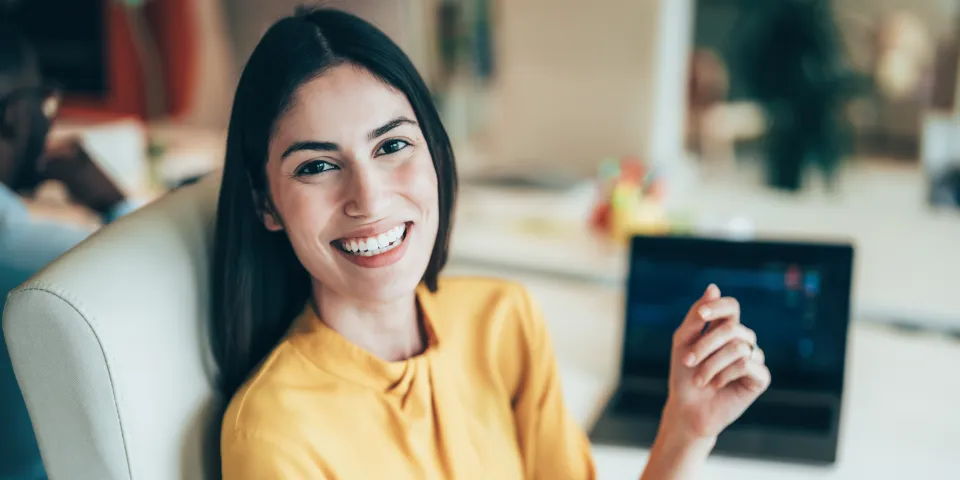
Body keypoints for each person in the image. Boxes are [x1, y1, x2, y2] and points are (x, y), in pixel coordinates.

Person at [213, 8, 771, 479]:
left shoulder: (503, 319)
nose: (369, 197)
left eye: (392, 146)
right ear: (266, 204)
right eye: (317, 165)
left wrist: (685, 432)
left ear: (434, 153)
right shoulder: (273, 432)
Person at [0, 22, 137, 480]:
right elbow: (168, 288)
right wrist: (117, 204)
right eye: (45, 104)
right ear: (15, 118)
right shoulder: (55, 263)